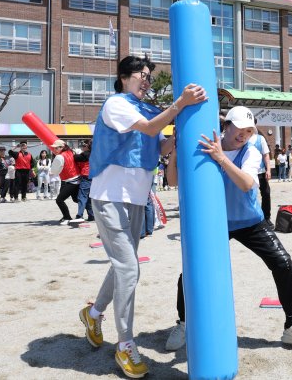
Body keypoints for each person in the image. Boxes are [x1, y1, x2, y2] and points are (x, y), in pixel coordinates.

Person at [78, 55, 206, 379]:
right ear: (124, 77)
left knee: (124, 266)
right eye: (142, 75)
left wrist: (178, 138)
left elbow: (159, 146)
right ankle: (125, 344)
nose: (147, 81)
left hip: (137, 200)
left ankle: (94, 313)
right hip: (109, 197)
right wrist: (180, 103)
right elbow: (149, 129)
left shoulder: (147, 109)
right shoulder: (116, 104)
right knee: (129, 268)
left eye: (149, 76)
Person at [164, 106, 292, 352]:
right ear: (226, 126)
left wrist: (221, 158)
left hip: (250, 221)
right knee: (191, 271)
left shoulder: (251, 151)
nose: (244, 135)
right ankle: (184, 324)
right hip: (213, 223)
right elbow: (173, 181)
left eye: (249, 131)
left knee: (283, 263)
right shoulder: (207, 146)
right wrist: (176, 150)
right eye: (239, 129)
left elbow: (247, 183)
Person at [50, 140, 80, 223]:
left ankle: (67, 217)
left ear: (62, 147)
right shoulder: (71, 152)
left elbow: (54, 171)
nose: (54, 149)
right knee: (76, 199)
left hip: (71, 181)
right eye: (54, 148)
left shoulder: (60, 156)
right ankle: (92, 214)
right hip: (76, 179)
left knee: (59, 200)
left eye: (56, 148)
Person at [249, 123, 273, 229]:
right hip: (248, 172)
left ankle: (266, 218)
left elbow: (266, 155)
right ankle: (252, 218)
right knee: (250, 195)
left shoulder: (260, 139)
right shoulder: (243, 138)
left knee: (266, 193)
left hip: (261, 172)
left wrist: (268, 170)